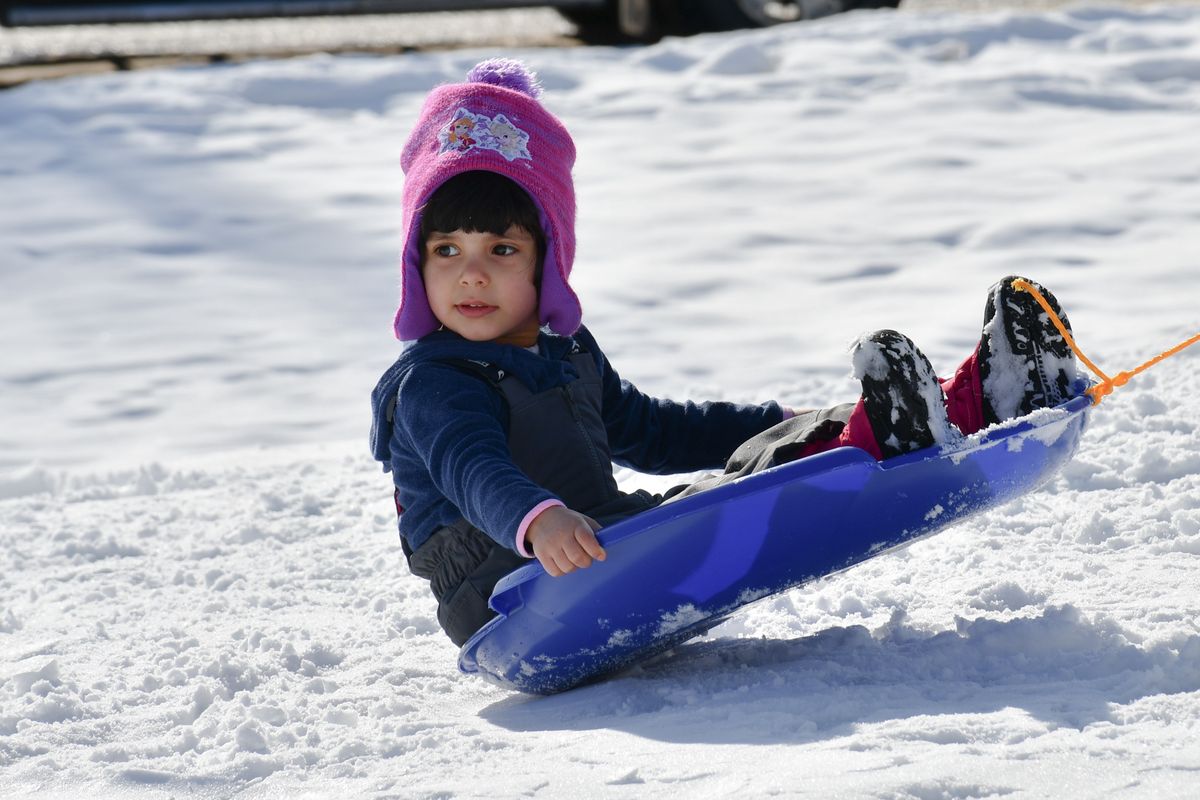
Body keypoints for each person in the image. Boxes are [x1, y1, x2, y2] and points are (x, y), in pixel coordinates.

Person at [369, 59, 1079, 647]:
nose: (472, 274)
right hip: (508, 595)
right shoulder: (433, 384)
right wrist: (535, 519)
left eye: (501, 249)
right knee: (725, 503)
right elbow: (473, 468)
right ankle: (871, 434)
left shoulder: (563, 351)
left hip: (590, 555)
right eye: (446, 250)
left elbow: (653, 429)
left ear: (547, 262)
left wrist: (779, 422)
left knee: (755, 461)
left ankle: (978, 398)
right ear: (415, 262)